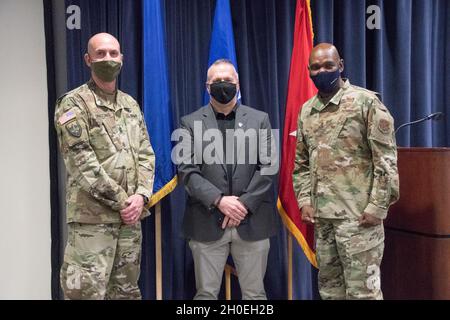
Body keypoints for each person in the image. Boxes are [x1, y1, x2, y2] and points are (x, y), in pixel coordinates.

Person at [293, 43, 399, 300]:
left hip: (359, 220)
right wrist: (305, 201)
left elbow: (386, 161)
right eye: (316, 67)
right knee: (330, 293)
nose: (322, 71)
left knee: (363, 294)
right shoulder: (307, 110)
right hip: (324, 222)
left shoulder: (366, 103)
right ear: (309, 71)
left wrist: (377, 207)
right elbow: (301, 164)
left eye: (328, 65)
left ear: (340, 66)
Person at [54, 33, 155, 299]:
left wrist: (141, 196)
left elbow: (146, 153)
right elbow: (82, 163)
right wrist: (126, 203)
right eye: (100, 54)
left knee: (126, 293)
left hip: (129, 223)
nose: (108, 58)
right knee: (85, 294)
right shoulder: (73, 103)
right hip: (92, 223)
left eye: (113, 53)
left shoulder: (130, 104)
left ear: (122, 58)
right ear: (88, 60)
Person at [177, 59, 278, 300]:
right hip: (206, 219)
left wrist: (242, 205)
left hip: (252, 220)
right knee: (205, 295)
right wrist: (219, 201)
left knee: (255, 295)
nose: (223, 85)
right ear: (207, 87)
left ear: (238, 84)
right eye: (217, 81)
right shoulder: (189, 123)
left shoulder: (260, 119)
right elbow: (186, 170)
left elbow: (269, 167)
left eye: (229, 81)